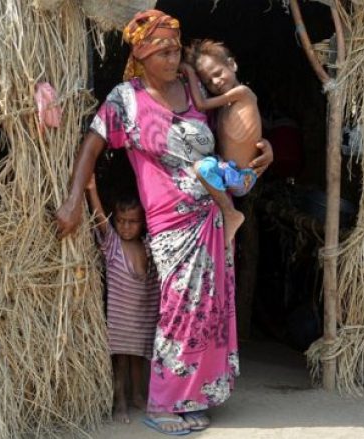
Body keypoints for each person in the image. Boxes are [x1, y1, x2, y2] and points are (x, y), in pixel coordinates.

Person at [56, 9, 273, 435]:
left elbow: (228, 139)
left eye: (176, 50)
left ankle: (192, 396)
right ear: (143, 54)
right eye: (164, 52)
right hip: (172, 223)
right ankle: (163, 403)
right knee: (179, 311)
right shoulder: (127, 100)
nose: (174, 59)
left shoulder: (193, 94)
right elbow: (91, 147)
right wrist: (73, 200)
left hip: (213, 217)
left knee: (207, 311)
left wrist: (261, 152)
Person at [85, 175, 159, 424]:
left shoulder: (149, 247)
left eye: (133, 222)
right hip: (120, 322)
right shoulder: (113, 244)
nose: (126, 226)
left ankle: (138, 395)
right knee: (120, 361)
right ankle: (120, 403)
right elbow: (99, 218)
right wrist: (92, 189)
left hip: (142, 319)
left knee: (138, 359)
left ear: (143, 223)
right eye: (121, 221)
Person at [181, 40, 261, 244]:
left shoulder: (243, 93)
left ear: (232, 65)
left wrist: (189, 73)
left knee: (201, 168)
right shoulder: (224, 105)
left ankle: (230, 213)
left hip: (242, 177)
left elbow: (200, 104)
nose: (215, 82)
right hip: (230, 172)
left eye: (218, 73)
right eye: (208, 81)